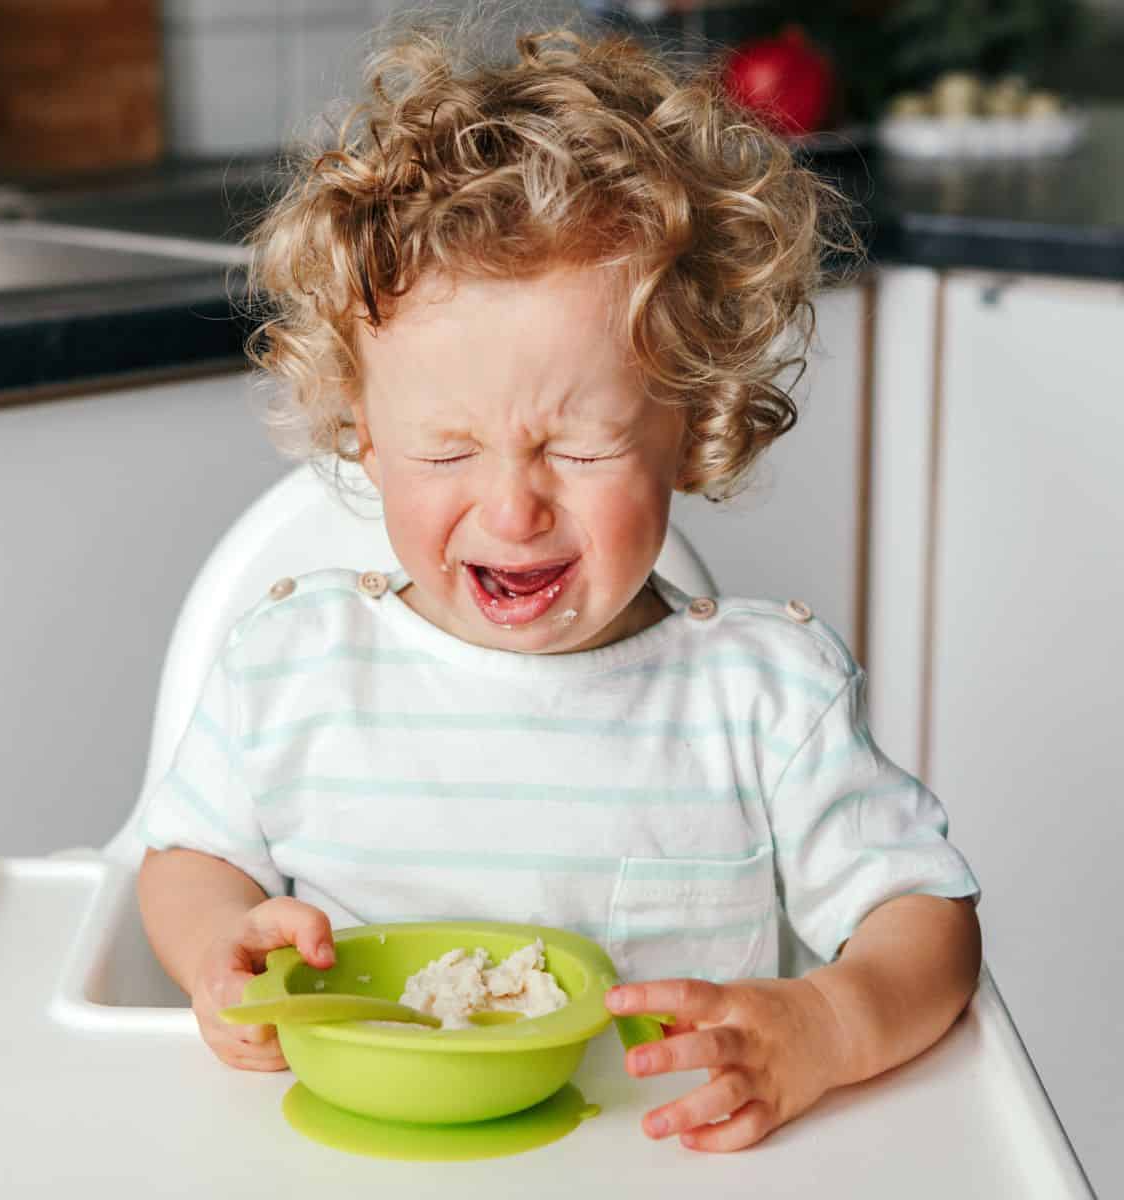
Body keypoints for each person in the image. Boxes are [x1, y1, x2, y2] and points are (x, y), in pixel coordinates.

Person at [137, 5, 981, 1153]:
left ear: (694, 427)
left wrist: (824, 1026)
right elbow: (188, 859)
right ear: (360, 434)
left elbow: (925, 922)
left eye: (579, 450)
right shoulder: (289, 669)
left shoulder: (767, 698)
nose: (515, 508)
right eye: (445, 452)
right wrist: (217, 947)